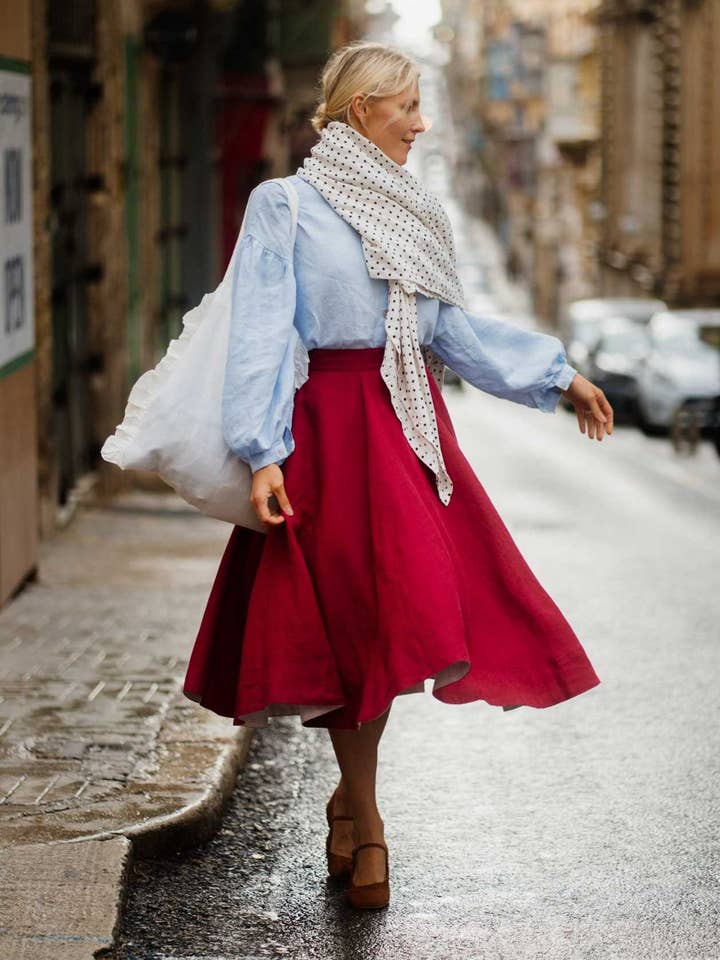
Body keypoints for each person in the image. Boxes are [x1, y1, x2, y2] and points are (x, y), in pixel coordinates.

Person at [182, 40, 609, 910]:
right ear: (361, 110)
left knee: (392, 622)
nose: (422, 123)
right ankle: (368, 819)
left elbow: (450, 333)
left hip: (404, 431)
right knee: (346, 625)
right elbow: (263, 333)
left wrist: (558, 376)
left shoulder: (416, 211)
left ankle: (355, 801)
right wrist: (262, 451)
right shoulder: (285, 206)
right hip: (322, 436)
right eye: (407, 106)